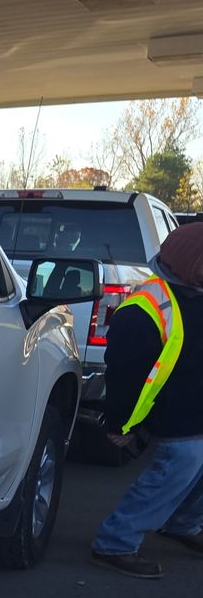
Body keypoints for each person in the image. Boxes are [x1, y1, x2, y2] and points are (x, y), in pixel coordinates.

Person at [91, 222, 203, 578]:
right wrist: (120, 423)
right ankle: (115, 542)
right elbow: (123, 371)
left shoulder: (196, 293)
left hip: (196, 407)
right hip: (174, 413)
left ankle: (184, 524)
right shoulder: (146, 307)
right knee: (177, 468)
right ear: (192, 266)